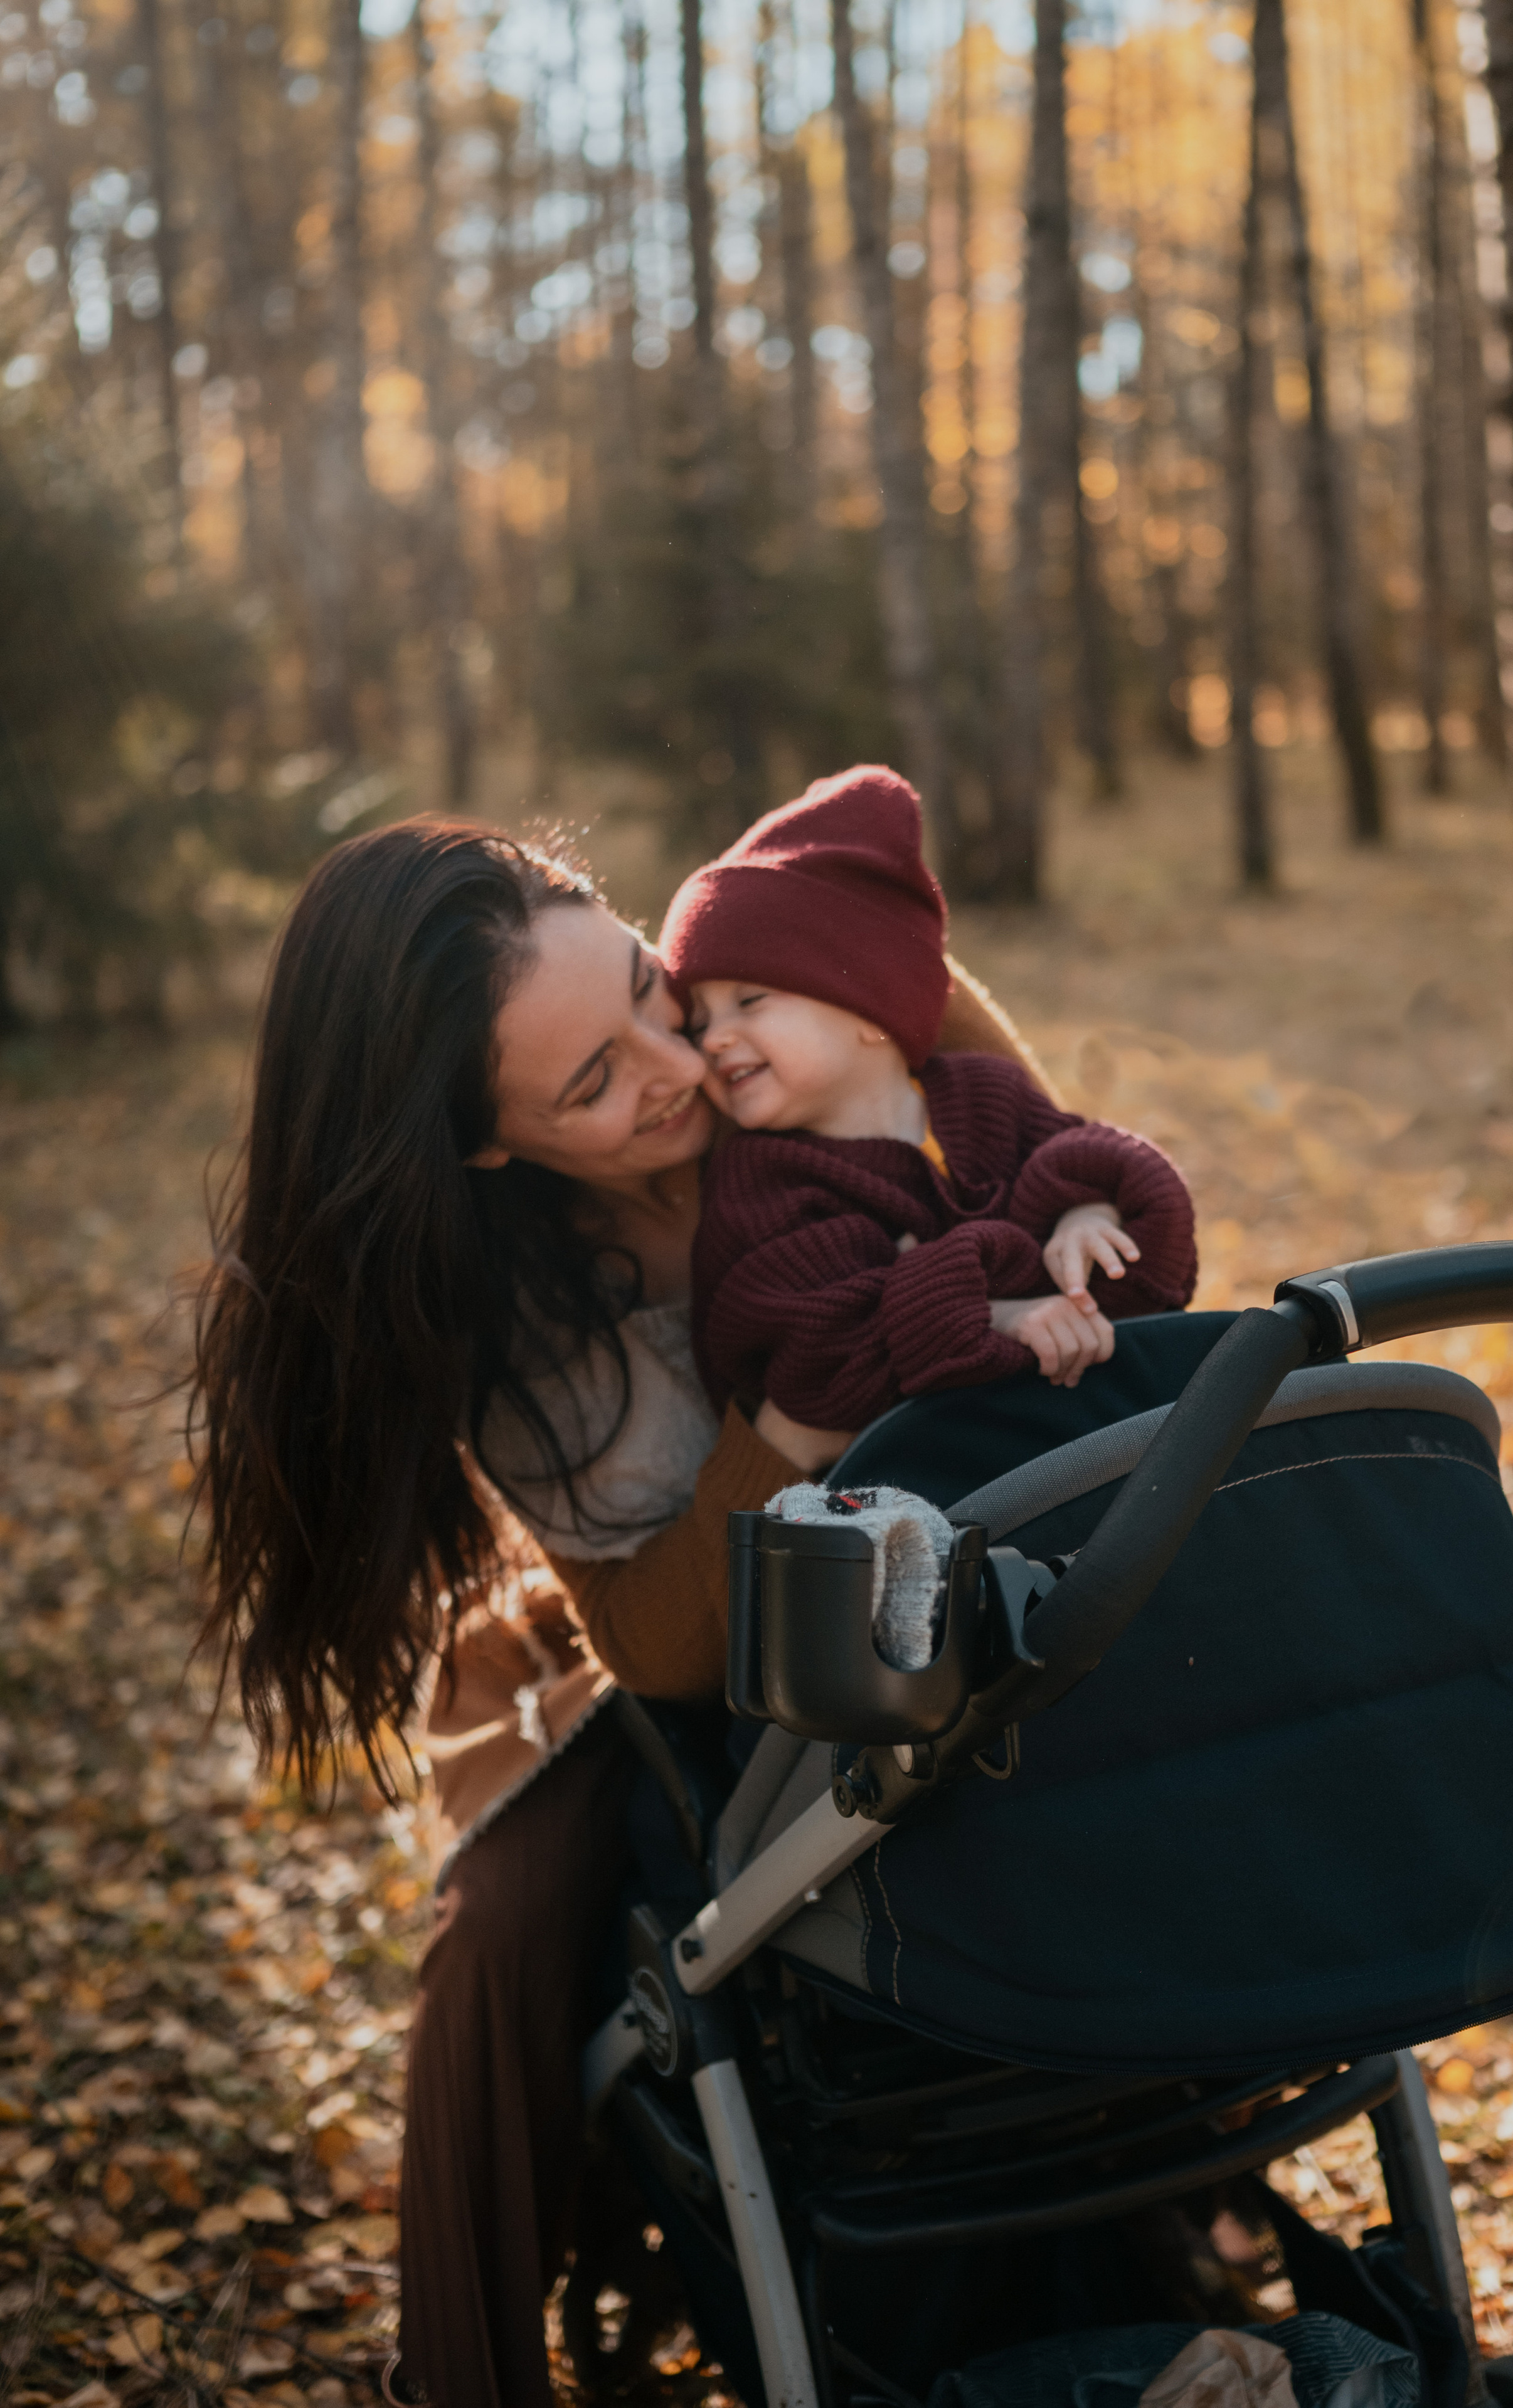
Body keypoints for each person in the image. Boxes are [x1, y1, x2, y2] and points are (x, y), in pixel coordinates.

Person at [189, 813, 1056, 2408]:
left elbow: (1046, 1151)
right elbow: (656, 1638)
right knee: (511, 1918)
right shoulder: (517, 1326)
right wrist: (795, 1415)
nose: (677, 1062)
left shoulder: (771, 987)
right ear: (484, 1144)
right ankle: (461, 2362)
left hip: (981, 1549)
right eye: (591, 1080)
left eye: (651, 990)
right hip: (669, 1654)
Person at [661, 766, 1197, 1427]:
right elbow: (814, 1355)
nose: (714, 1040)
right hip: (915, 1503)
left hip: (1090, 1447)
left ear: (866, 1008)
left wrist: (1088, 1217)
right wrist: (1002, 1314)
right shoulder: (762, 1182)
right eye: (699, 1020)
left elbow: (1105, 1168)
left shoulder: (982, 1095)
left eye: (749, 1001)